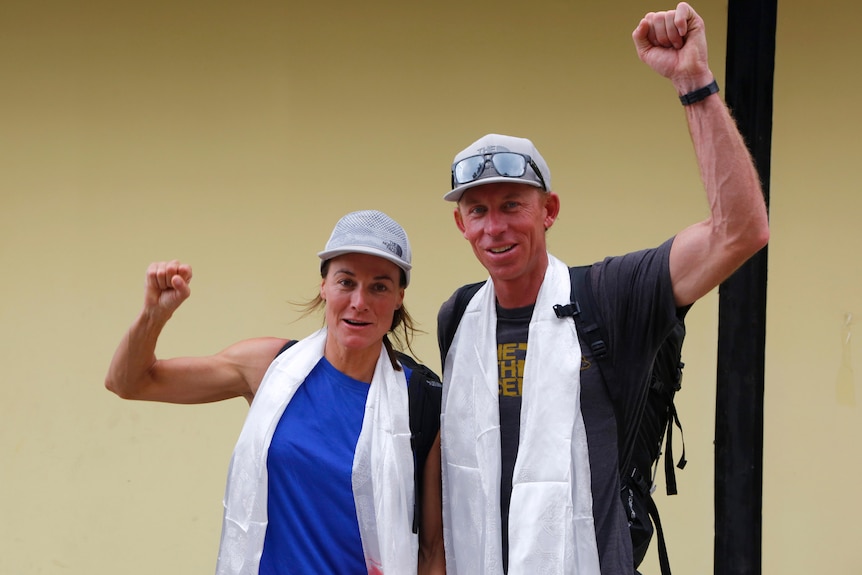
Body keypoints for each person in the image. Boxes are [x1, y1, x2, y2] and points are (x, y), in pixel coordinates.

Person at [436, 3, 770, 574]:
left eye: (513, 205)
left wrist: (693, 82)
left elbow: (739, 231)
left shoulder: (611, 296)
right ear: (461, 224)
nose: (495, 227)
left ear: (550, 211)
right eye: (479, 210)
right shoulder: (460, 315)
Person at [105, 210, 445, 575]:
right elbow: (130, 382)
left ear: (398, 297)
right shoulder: (272, 368)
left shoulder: (421, 401)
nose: (359, 301)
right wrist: (153, 316)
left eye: (379, 286)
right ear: (324, 287)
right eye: (346, 282)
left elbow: (431, 550)